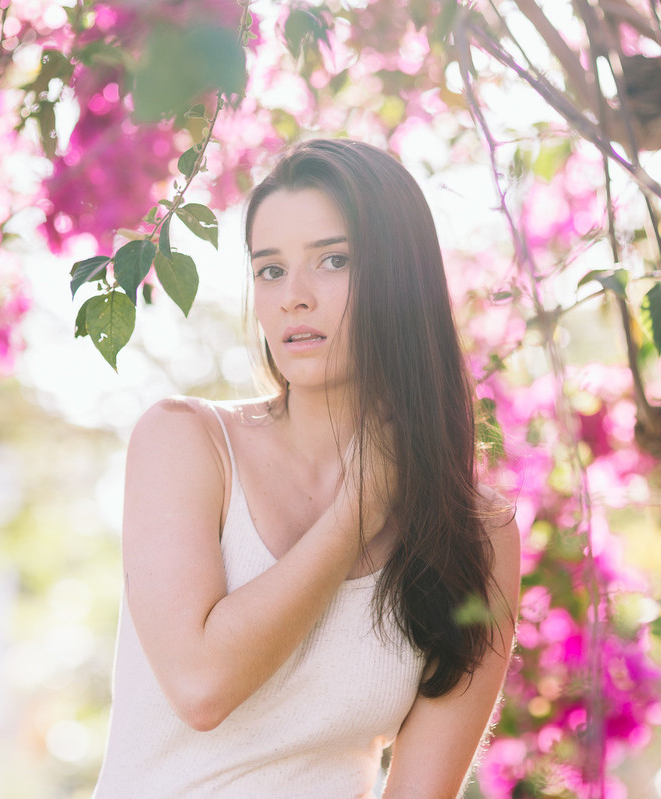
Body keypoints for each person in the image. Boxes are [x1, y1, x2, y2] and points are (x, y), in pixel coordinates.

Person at [92, 139, 521, 798]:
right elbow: (202, 685)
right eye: (270, 269)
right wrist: (358, 511)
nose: (294, 297)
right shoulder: (187, 444)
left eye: (333, 260)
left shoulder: (473, 534)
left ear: (399, 278)